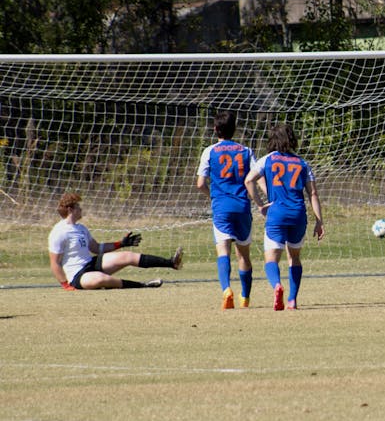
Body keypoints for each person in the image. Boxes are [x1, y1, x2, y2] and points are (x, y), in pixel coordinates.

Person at [244, 123, 325, 311]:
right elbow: (313, 194)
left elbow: (249, 180)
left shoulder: (267, 160)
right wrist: (319, 221)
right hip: (298, 214)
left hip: (277, 213)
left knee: (271, 259)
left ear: (273, 140)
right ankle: (292, 300)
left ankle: (277, 285)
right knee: (294, 258)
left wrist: (260, 205)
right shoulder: (303, 163)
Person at [48, 193, 183, 290]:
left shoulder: (81, 228)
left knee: (127, 256)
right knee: (101, 279)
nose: (81, 209)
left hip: (90, 263)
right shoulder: (59, 231)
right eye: (78, 207)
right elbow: (55, 263)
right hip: (77, 276)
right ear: (70, 210)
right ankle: (144, 285)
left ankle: (171, 263)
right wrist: (65, 284)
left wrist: (121, 244)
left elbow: (96, 248)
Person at [197, 111, 256, 310]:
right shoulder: (246, 151)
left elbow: (200, 183)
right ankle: (245, 298)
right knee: (243, 255)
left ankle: (226, 290)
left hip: (221, 207)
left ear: (215, 130)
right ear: (235, 129)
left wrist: (213, 195)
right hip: (242, 206)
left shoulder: (209, 151)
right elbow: (254, 178)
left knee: (223, 250)